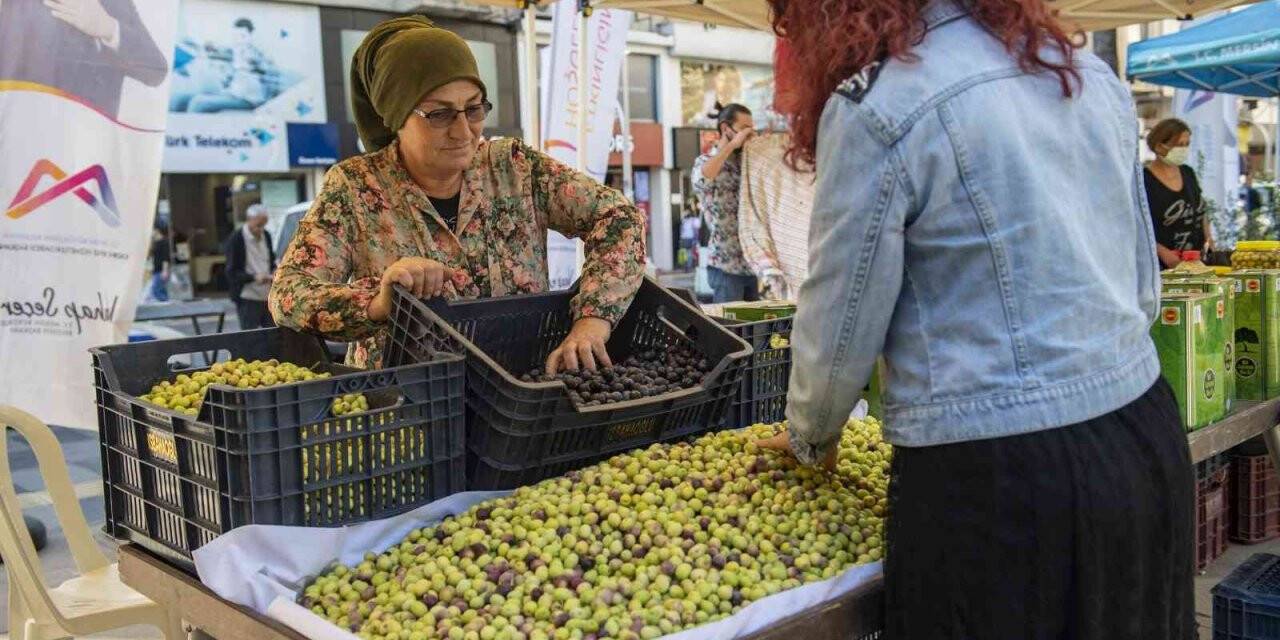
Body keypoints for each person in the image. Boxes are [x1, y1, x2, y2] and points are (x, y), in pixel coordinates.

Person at [757, 0, 1193, 638]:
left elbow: (841, 322)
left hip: (1000, 479)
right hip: (1143, 433)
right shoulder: (1080, 70)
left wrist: (810, 438)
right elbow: (1141, 283)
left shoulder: (878, 106)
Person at [269, 17, 645, 374]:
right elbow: (289, 294)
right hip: (409, 407)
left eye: (474, 108)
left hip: (519, 393)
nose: (464, 131)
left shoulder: (515, 167)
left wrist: (593, 321)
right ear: (396, 116)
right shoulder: (356, 187)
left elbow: (617, 218)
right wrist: (377, 302)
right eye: (440, 115)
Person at [0, 0, 168, 120]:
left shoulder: (114, 3)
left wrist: (108, 28)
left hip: (88, 149)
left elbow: (155, 71)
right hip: (19, 141)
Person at [692, 103, 758, 303]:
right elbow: (703, 178)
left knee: (754, 332)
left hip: (752, 265)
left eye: (751, 129)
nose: (748, 134)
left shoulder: (746, 164)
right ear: (725, 128)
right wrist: (731, 145)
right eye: (744, 128)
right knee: (728, 331)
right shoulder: (706, 161)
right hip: (725, 267)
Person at [1145, 118, 1214, 268]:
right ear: (1159, 146)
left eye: (1186, 144)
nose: (1183, 149)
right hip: (1163, 264)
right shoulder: (1144, 180)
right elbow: (1139, 224)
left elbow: (1201, 211)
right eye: (1178, 145)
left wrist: (1209, 240)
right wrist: (1163, 253)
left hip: (1196, 260)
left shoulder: (1187, 173)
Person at [226, 205, 277, 329]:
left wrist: (274, 271)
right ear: (249, 220)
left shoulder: (267, 235)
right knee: (250, 338)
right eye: (258, 225)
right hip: (247, 296)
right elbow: (231, 272)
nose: (260, 229)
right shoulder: (236, 238)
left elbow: (270, 260)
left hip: (267, 294)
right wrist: (253, 277)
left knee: (272, 335)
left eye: (264, 225)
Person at [148, 222, 171, 303]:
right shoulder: (155, 243)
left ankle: (167, 306)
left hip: (161, 270)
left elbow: (165, 258)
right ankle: (168, 307)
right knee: (160, 290)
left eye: (152, 230)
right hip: (156, 270)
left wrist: (165, 271)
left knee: (156, 291)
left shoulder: (164, 242)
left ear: (157, 230)